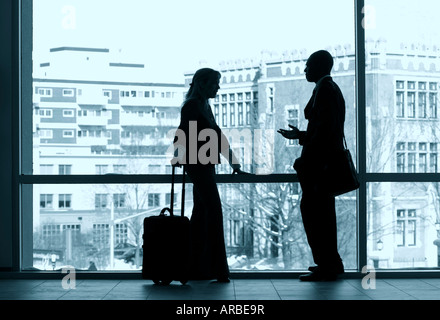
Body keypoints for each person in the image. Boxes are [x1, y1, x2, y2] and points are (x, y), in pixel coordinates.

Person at [172, 68, 246, 282]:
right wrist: (232, 160)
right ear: (203, 84)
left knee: (202, 215)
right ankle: (215, 269)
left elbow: (193, 133)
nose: (218, 87)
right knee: (213, 213)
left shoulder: (201, 106)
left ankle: (195, 268)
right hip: (200, 165)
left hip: (201, 164)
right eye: (215, 83)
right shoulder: (195, 106)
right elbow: (187, 131)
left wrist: (232, 160)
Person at [278, 50, 345, 281]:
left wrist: (305, 157)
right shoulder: (329, 89)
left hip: (319, 168)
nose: (305, 70)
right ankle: (329, 263)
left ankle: (327, 265)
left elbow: (324, 133)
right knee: (321, 214)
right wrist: (301, 136)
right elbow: (326, 129)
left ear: (318, 67)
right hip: (323, 165)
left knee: (316, 214)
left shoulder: (325, 90)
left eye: (308, 66)